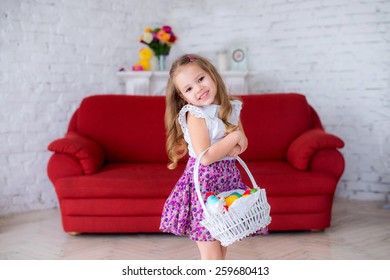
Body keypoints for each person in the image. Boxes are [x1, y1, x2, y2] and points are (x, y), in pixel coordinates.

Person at [159, 54, 267, 260]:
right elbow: (206, 157)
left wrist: (237, 141)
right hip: (204, 185)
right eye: (189, 89)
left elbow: (242, 144)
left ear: (212, 74)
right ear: (184, 97)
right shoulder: (196, 114)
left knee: (223, 243)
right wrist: (234, 137)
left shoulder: (231, 107)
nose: (198, 89)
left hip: (227, 181)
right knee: (211, 254)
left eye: (200, 79)